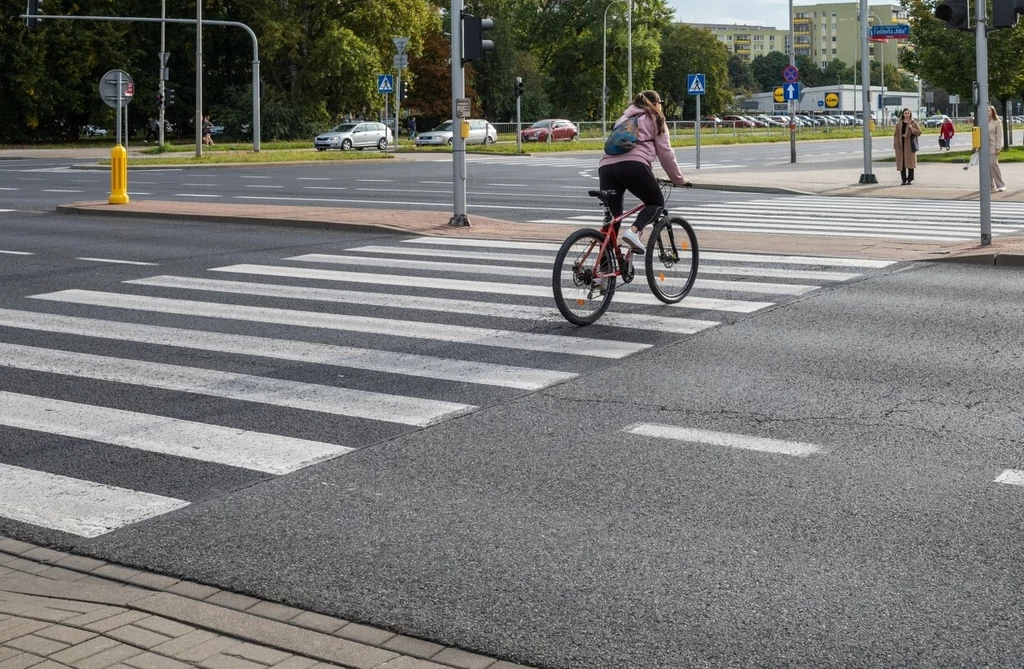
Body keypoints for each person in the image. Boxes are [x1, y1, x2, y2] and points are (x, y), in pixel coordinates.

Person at [598, 90, 690, 254]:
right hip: (633, 166)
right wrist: (678, 179)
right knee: (656, 203)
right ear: (656, 104)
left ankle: (603, 274)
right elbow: (665, 153)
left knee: (613, 218)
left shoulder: (623, 118)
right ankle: (634, 232)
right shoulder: (655, 118)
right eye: (660, 104)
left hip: (605, 167)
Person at [892, 108, 921, 185]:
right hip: (901, 145)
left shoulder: (913, 122)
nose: (907, 115)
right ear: (903, 114)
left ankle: (910, 179)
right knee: (902, 163)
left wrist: (912, 128)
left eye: (908, 113)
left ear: (910, 114)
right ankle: (903, 179)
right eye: (905, 113)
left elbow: (919, 132)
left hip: (909, 145)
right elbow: (895, 134)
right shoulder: (899, 123)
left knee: (910, 163)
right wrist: (896, 142)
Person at [987, 105, 1006, 193]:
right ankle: (990, 186)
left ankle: (1001, 185)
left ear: (993, 112)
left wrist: (998, 147)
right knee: (986, 167)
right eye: (986, 111)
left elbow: (999, 136)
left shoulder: (997, 121)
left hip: (993, 146)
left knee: (993, 164)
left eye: (989, 111)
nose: (987, 113)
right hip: (984, 147)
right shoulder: (983, 121)